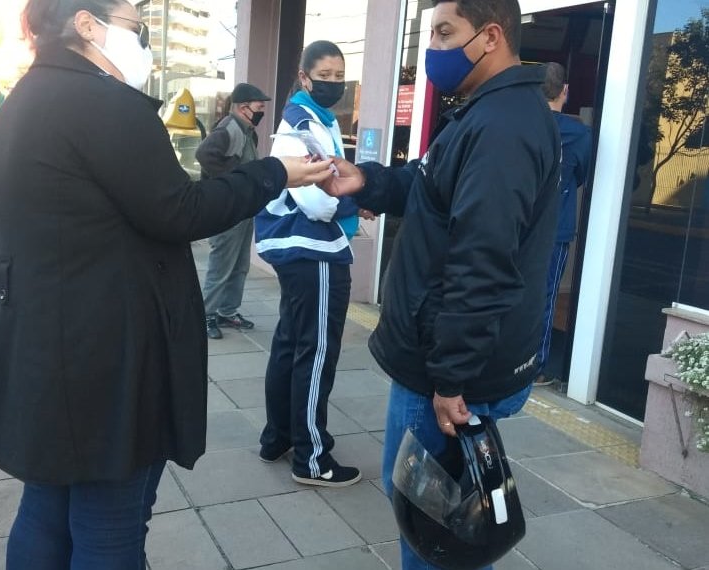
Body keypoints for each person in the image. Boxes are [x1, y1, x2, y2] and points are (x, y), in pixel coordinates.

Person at [0, 1, 334, 568]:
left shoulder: (27, 98)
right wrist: (275, 172)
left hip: (42, 342)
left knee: (46, 504)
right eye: (137, 28)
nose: (144, 45)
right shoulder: (103, 103)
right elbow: (180, 211)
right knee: (111, 522)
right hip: (104, 355)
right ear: (88, 25)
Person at [325, 0, 561, 567]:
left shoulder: (503, 126)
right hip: (443, 355)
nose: (431, 46)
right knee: (436, 516)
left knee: (430, 521)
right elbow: (428, 185)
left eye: (444, 31)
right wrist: (368, 182)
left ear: (491, 36)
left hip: (447, 369)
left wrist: (451, 376)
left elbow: (483, 263)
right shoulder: (483, 112)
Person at [254, 40, 365, 487]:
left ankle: (279, 436)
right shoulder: (301, 126)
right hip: (314, 251)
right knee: (316, 353)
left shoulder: (312, 118)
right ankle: (312, 458)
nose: (333, 83)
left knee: (290, 344)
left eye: (340, 76)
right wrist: (356, 203)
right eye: (326, 75)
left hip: (299, 251)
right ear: (304, 77)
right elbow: (319, 203)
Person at [196, 82, 272, 340]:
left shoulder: (248, 131)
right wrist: (231, 182)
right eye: (258, 107)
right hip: (227, 210)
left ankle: (227, 311)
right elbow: (204, 154)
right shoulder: (229, 128)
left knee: (239, 265)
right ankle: (205, 315)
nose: (261, 111)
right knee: (221, 265)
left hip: (243, 210)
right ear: (242, 107)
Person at [534, 62, 592, 386]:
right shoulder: (579, 134)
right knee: (545, 297)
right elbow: (582, 175)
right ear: (565, 91)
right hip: (555, 230)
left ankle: (500, 362)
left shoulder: (522, 125)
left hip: (518, 226)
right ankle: (536, 368)